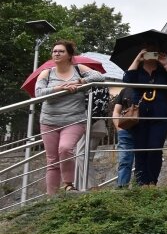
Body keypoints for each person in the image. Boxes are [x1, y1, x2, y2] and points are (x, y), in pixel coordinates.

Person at [35, 40, 105, 195]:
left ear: (69, 55)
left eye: (61, 51)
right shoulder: (47, 72)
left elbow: (99, 77)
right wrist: (60, 88)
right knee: (52, 161)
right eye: (54, 51)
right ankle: (51, 197)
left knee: (65, 148)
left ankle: (68, 184)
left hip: (74, 119)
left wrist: (81, 81)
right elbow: (38, 93)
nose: (57, 54)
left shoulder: (79, 69)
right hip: (49, 121)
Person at [124, 46, 167, 186]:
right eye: (147, 52)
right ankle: (141, 183)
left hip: (160, 115)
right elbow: (126, 81)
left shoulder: (163, 71)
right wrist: (137, 59)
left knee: (155, 148)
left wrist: (166, 64)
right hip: (139, 116)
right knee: (141, 149)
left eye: (154, 52)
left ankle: (152, 182)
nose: (151, 55)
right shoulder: (136, 71)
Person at [111, 87, 136, 188]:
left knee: (142, 161)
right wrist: (119, 128)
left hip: (144, 130)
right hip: (125, 130)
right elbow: (116, 111)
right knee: (124, 160)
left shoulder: (149, 88)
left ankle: (141, 187)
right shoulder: (125, 90)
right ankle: (122, 187)